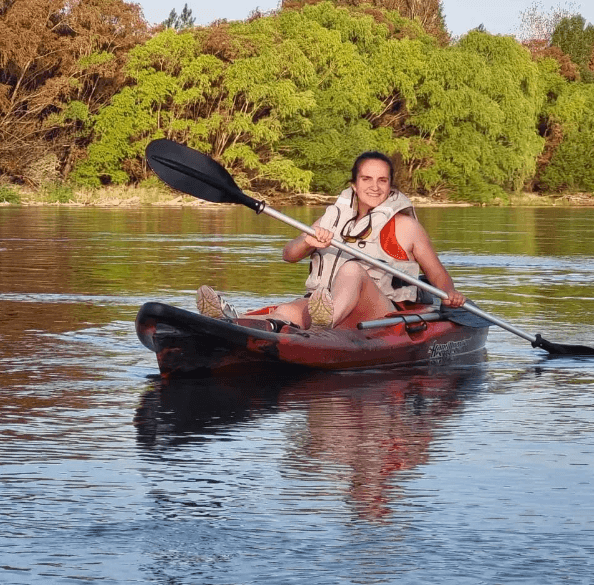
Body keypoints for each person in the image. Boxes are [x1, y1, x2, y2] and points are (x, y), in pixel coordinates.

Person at [197, 151, 465, 330]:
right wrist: (309, 242)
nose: (375, 186)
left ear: (391, 185)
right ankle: (229, 323)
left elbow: (438, 275)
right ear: (354, 185)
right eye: (367, 179)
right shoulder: (333, 218)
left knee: (352, 269)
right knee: (287, 312)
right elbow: (289, 254)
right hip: (323, 303)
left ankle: (324, 324)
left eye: (382, 180)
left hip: (379, 312)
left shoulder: (406, 226)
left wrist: (449, 294)